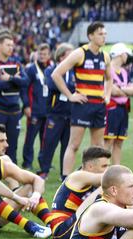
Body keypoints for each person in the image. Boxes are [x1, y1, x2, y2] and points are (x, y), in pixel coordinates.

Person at [51, 22, 112, 176]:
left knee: (98, 146)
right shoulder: (80, 53)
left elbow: (109, 79)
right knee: (74, 145)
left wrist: (107, 95)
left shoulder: (105, 56)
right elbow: (56, 74)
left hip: (98, 106)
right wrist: (70, 96)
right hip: (82, 105)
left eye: (105, 34)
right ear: (90, 36)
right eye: (100, 34)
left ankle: (95, 178)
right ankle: (66, 178)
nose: (104, 36)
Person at [47, 146, 110, 239]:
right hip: (63, 234)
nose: (107, 169)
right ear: (90, 166)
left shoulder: (86, 179)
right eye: (104, 166)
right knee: (106, 188)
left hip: (68, 233)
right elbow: (110, 178)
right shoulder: (78, 176)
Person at [0, 32, 29, 163]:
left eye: (12, 45)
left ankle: (11, 171)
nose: (11, 48)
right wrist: (15, 81)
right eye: (7, 45)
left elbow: (25, 82)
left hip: (14, 110)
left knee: (12, 145)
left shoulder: (16, 63)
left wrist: (9, 78)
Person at [38, 43, 74, 180]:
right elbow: (53, 85)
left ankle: (64, 174)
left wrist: (67, 88)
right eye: (70, 54)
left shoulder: (74, 71)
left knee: (67, 145)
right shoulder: (50, 70)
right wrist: (70, 88)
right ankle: (44, 170)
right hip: (55, 114)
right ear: (62, 56)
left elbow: (77, 86)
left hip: (70, 114)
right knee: (48, 143)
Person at [104, 43, 133, 165]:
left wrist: (121, 89)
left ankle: (115, 170)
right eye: (125, 54)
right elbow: (112, 90)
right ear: (120, 54)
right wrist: (125, 90)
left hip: (123, 109)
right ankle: (103, 170)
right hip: (111, 109)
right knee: (108, 142)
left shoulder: (124, 71)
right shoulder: (107, 69)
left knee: (119, 142)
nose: (127, 56)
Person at [22, 43, 52, 169]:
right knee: (30, 138)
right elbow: (24, 88)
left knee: (45, 139)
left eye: (45, 54)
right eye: (40, 54)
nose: (42, 56)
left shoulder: (52, 68)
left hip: (48, 110)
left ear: (49, 55)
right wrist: (26, 106)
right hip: (34, 110)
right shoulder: (31, 69)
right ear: (37, 54)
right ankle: (27, 162)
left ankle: (44, 163)